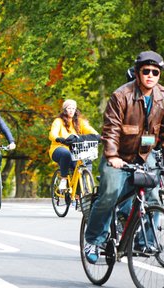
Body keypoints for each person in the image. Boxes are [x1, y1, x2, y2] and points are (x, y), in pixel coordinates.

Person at [84, 50, 164, 264]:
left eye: (155, 72)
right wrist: (111, 155)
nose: (150, 75)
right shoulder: (122, 95)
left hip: (144, 156)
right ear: (138, 73)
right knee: (109, 194)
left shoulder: (162, 97)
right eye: (145, 71)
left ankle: (143, 241)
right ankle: (93, 239)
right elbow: (111, 129)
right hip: (118, 155)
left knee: (155, 196)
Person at [48, 99, 99, 190]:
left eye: (73, 108)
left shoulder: (80, 122)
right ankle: (63, 179)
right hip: (59, 147)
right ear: (64, 110)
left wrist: (98, 136)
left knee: (84, 162)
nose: (71, 110)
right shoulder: (58, 121)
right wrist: (59, 139)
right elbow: (52, 134)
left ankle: (80, 193)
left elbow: (90, 130)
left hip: (75, 150)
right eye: (69, 108)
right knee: (66, 154)